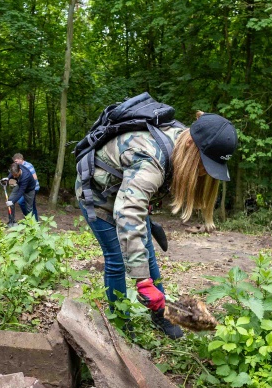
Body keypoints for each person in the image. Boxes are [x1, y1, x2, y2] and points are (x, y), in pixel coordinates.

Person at [76, 111, 238, 339]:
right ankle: (120, 325)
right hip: (98, 195)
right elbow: (128, 212)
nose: (204, 172)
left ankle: (161, 315)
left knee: (148, 256)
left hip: (128, 192)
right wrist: (142, 282)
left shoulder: (181, 143)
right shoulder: (151, 160)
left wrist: (145, 224)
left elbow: (135, 200)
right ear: (191, 145)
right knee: (116, 260)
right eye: (205, 164)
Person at [7, 153, 39, 218]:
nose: (14, 177)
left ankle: (32, 221)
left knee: (29, 207)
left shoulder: (26, 175)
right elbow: (12, 172)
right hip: (20, 184)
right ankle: (12, 220)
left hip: (30, 189)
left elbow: (21, 192)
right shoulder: (17, 165)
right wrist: (7, 178)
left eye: (16, 175)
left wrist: (13, 202)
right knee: (11, 199)